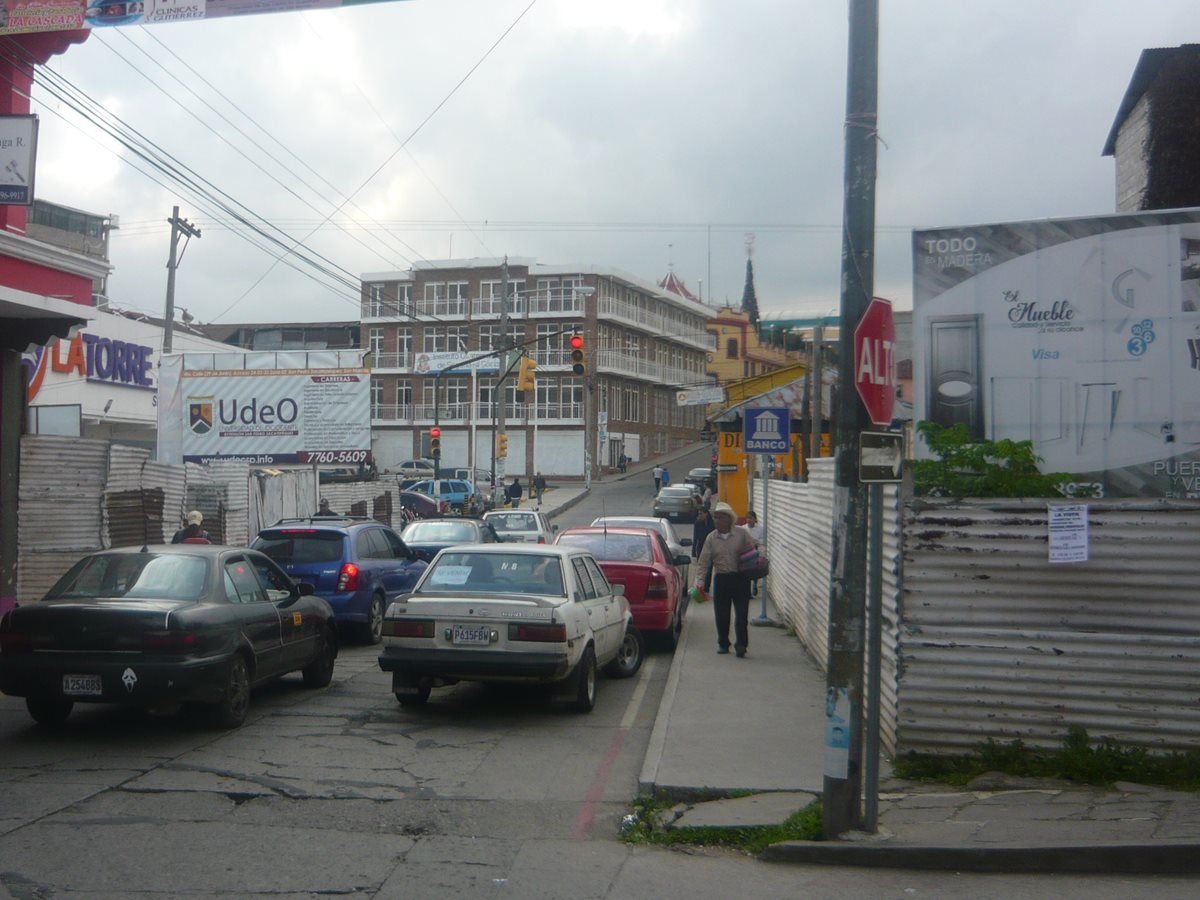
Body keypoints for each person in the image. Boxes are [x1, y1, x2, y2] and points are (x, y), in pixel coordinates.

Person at [693, 502, 759, 658]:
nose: (716, 521)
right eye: (715, 517)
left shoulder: (741, 534)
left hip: (741, 579)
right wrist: (699, 583)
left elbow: (757, 545)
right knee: (722, 615)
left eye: (720, 517)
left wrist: (761, 557)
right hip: (722, 579)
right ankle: (723, 643)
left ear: (729, 519)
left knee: (741, 615)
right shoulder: (711, 538)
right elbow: (703, 563)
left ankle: (741, 645)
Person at [745, 510, 764, 597]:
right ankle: (747, 592)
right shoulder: (743, 529)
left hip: (755, 551)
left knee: (755, 571)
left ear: (755, 519)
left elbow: (762, 540)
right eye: (748, 518)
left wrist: (756, 541)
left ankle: (755, 584)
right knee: (747, 572)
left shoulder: (760, 529)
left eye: (751, 518)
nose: (749, 520)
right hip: (746, 553)